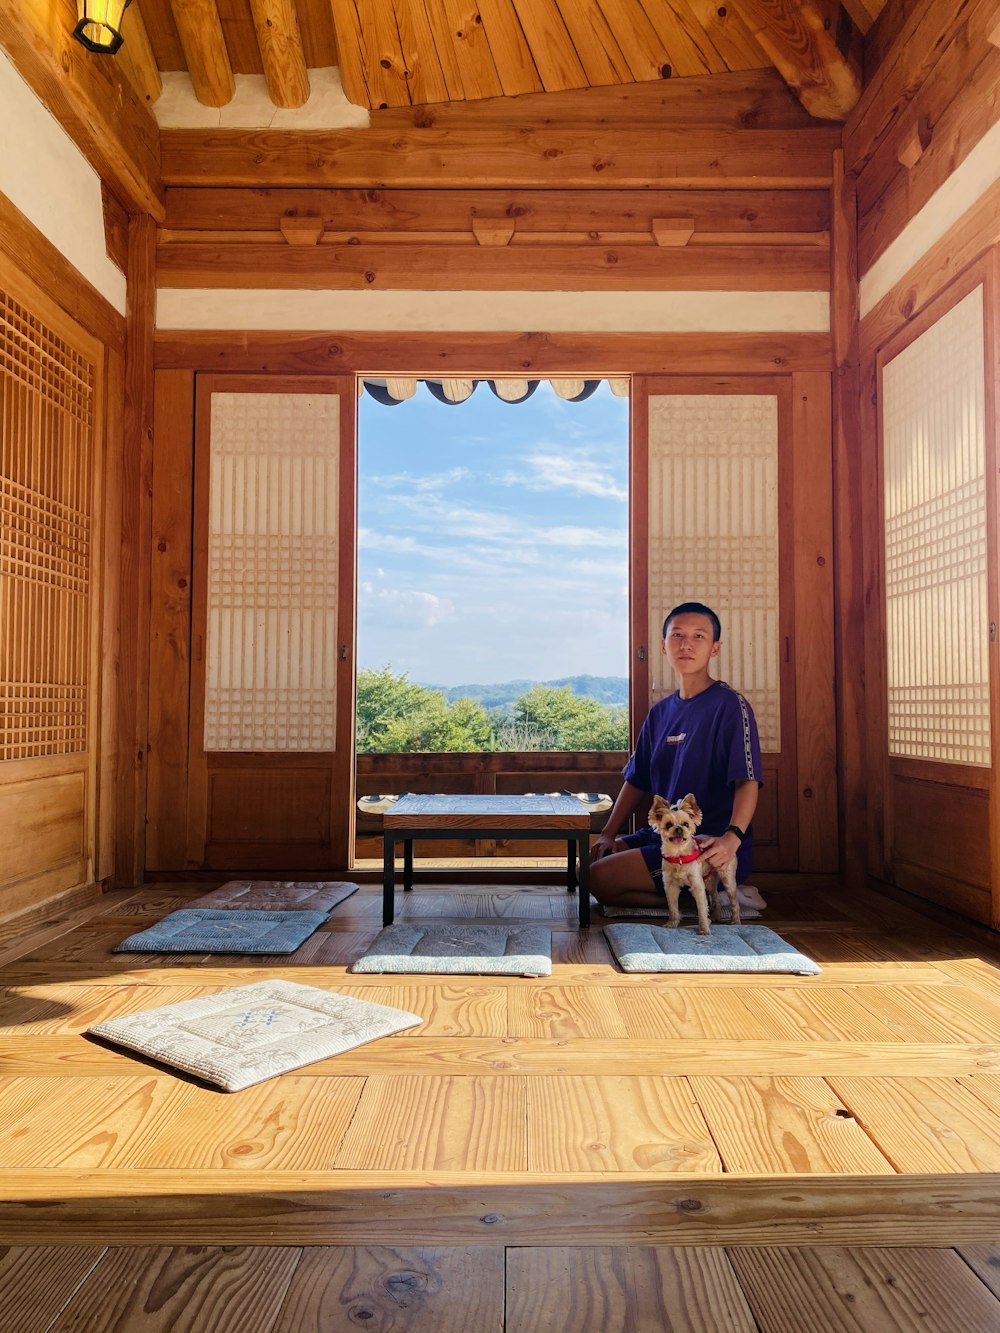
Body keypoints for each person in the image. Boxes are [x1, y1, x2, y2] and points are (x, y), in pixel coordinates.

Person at [589, 601, 767, 917]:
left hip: (706, 842)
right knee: (594, 860)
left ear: (715, 648)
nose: (686, 644)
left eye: (699, 636)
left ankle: (713, 895)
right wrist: (607, 833)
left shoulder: (729, 706)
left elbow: (747, 781)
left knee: (600, 879)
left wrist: (731, 839)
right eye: (677, 635)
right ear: (663, 646)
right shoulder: (660, 713)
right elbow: (636, 779)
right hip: (663, 835)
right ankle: (700, 898)